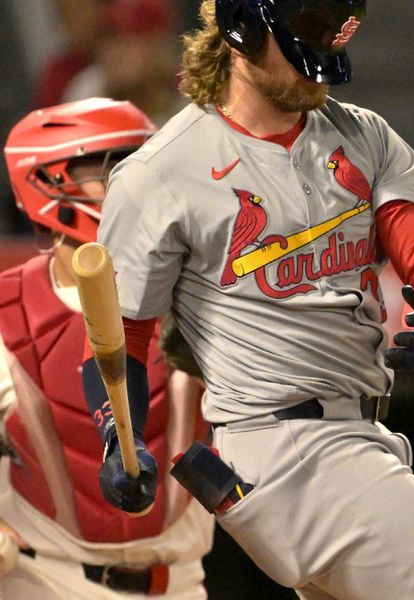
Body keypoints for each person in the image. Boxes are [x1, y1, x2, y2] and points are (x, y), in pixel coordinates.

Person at [82, 0, 414, 598]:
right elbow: (121, 342)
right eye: (302, 48)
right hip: (289, 445)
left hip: (352, 443)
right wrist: (119, 439)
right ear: (242, 29)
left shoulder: (364, 136)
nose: (317, 71)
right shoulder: (160, 173)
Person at [0, 98, 214, 598]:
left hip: (182, 584)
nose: (136, 184)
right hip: (42, 581)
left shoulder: (206, 293)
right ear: (47, 182)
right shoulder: (9, 313)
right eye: (112, 167)